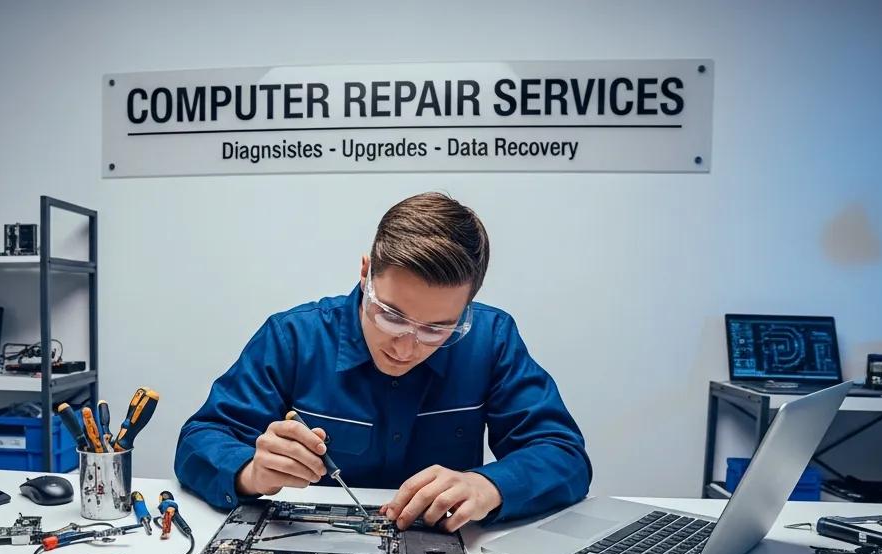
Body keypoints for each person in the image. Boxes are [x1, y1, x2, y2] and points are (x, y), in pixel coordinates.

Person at [174, 192, 590, 532]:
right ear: (365, 273)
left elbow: (562, 454)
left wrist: (488, 486)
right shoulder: (294, 338)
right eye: (391, 316)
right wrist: (250, 471)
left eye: (436, 329)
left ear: (467, 307)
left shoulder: (491, 340)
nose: (405, 349)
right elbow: (200, 439)